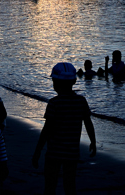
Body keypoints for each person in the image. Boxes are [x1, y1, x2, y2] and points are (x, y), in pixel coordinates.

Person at [33, 62, 96, 195]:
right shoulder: (81, 101)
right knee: (70, 184)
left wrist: (38, 151)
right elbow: (88, 123)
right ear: (74, 81)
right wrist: (93, 142)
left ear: (55, 82)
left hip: (54, 153)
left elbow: (46, 130)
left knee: (50, 185)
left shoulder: (54, 103)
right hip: (72, 153)